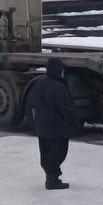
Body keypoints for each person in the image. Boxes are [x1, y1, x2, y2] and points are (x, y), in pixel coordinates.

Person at [31, 57, 77, 190]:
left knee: (46, 153)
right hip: (58, 129)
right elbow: (66, 108)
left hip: (42, 127)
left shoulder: (40, 83)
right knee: (58, 153)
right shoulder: (59, 87)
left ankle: (51, 177)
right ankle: (52, 180)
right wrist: (72, 122)